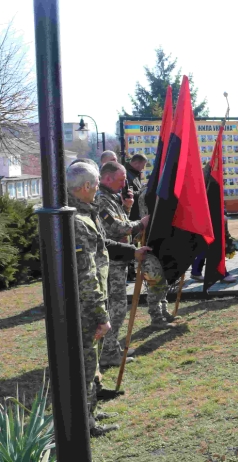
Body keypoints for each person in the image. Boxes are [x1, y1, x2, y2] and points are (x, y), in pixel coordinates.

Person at [68, 162, 150, 437]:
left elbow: (104, 246)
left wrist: (131, 252)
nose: (94, 191)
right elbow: (86, 273)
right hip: (87, 306)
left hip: (91, 301)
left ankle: (91, 405)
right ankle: (86, 422)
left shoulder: (85, 214)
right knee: (87, 359)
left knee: (91, 358)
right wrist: (100, 314)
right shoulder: (76, 221)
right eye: (92, 187)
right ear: (86, 187)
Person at [95, 162, 151, 365]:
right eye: (120, 180)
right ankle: (108, 354)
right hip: (110, 261)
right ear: (107, 178)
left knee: (118, 307)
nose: (123, 185)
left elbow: (119, 222)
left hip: (118, 259)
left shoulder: (110, 197)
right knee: (115, 308)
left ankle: (112, 348)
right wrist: (140, 224)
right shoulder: (101, 199)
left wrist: (126, 208)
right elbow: (117, 227)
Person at [124, 154, 147, 222]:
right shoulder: (125, 174)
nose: (143, 168)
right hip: (131, 214)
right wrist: (143, 191)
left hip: (136, 212)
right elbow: (127, 193)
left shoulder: (135, 173)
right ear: (136, 163)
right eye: (143, 165)